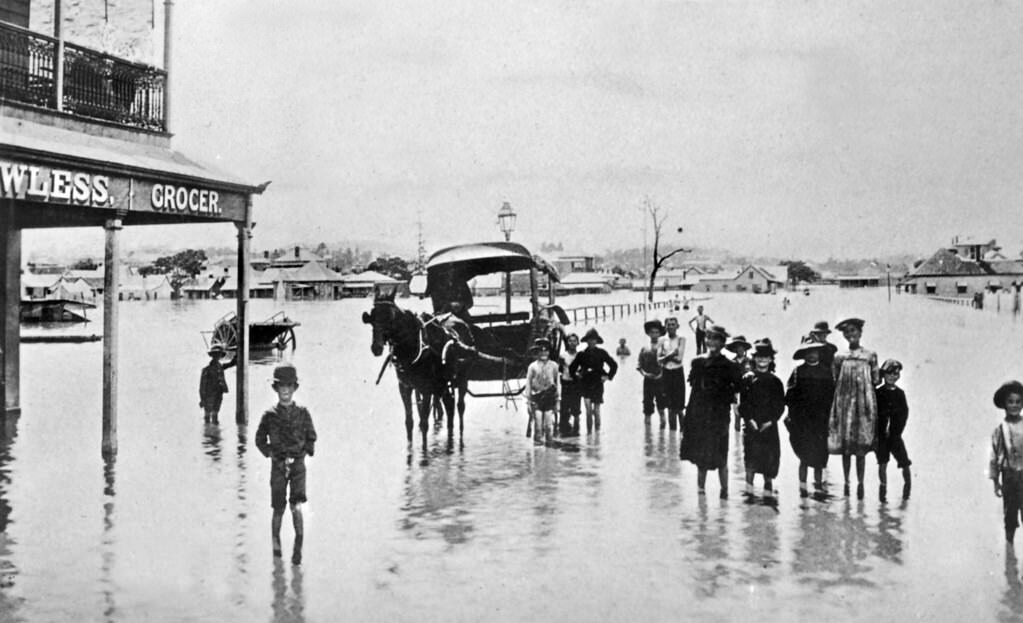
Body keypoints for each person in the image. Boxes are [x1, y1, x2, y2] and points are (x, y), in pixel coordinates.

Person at [255, 363, 318, 565]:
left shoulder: (303, 413)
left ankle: (298, 549)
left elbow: (312, 436)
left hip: (298, 466)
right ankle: (276, 548)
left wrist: (306, 452)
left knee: (296, 506)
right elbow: (259, 440)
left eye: (289, 386)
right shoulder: (269, 415)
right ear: (276, 389)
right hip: (278, 466)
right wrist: (271, 454)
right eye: (281, 386)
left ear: (294, 389)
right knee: (278, 508)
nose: (285, 390)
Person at [680, 325, 740, 498]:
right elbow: (694, 391)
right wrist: (688, 417)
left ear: (722, 342)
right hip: (700, 413)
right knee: (701, 456)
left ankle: (724, 493)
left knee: (721, 454)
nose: (711, 341)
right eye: (708, 338)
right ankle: (701, 493)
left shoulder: (730, 366)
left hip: (720, 415)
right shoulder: (698, 362)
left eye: (715, 338)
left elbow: (737, 390)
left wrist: (737, 413)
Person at [827, 318, 878, 499]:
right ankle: (847, 482)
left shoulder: (870, 355)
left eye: (853, 331)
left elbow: (876, 379)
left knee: (861, 445)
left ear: (860, 332)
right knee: (846, 445)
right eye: (847, 333)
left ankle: (861, 483)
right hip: (845, 404)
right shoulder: (839, 357)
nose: (850, 335)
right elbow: (834, 380)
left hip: (864, 405)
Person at [784, 342, 835, 498]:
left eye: (815, 352)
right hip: (802, 421)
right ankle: (803, 489)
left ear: (819, 354)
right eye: (808, 352)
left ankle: (818, 488)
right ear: (804, 355)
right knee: (803, 456)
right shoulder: (797, 372)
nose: (812, 355)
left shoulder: (827, 372)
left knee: (820, 458)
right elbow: (790, 397)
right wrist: (791, 417)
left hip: (820, 420)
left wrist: (830, 419)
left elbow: (832, 398)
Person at [739, 339, 786, 496]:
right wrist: (749, 419)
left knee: (768, 466)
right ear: (754, 358)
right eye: (759, 356)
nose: (762, 360)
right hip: (751, 426)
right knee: (750, 463)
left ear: (771, 359)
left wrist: (771, 421)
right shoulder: (747, 378)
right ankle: (749, 496)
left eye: (765, 357)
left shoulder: (776, 381)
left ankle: (768, 497)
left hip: (769, 428)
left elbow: (780, 406)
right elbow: (743, 404)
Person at [991, 380, 1023, 543]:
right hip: (1009, 477)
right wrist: (996, 482)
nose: (1014, 405)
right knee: (1010, 515)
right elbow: (994, 458)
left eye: (1018, 402)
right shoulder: (1000, 430)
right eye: (1010, 402)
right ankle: (1009, 549)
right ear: (1004, 404)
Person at [569, 328, 618, 433]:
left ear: (597, 341)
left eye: (594, 340)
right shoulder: (581, 354)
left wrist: (608, 377)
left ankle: (597, 433)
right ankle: (589, 433)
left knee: (596, 410)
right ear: (586, 341)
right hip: (585, 383)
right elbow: (572, 369)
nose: (591, 342)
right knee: (588, 410)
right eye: (589, 340)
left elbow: (613, 365)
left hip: (597, 383)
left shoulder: (602, 353)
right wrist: (577, 376)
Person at [876, 359, 912, 500]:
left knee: (904, 462)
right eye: (889, 373)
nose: (892, 376)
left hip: (895, 435)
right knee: (882, 462)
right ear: (883, 375)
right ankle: (883, 489)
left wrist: (896, 431)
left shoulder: (900, 394)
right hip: (881, 435)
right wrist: (881, 429)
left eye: (896, 374)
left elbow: (904, 414)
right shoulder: (878, 393)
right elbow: (875, 413)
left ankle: (907, 489)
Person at [526, 338, 561, 443]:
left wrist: (558, 400)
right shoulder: (532, 366)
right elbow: (528, 384)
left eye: (546, 351)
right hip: (536, 398)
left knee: (549, 426)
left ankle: (549, 453)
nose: (543, 353)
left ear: (549, 352)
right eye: (540, 351)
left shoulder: (554, 366)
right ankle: (538, 454)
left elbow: (558, 383)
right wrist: (528, 402)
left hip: (550, 398)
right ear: (537, 352)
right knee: (538, 426)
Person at [657, 316, 687, 430]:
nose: (670, 327)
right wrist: (671, 354)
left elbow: (679, 358)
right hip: (666, 374)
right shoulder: (661, 340)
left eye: (673, 324)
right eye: (668, 324)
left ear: (677, 326)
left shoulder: (681, 339)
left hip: (678, 373)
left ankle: (683, 435)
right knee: (670, 407)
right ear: (665, 327)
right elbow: (658, 360)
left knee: (679, 408)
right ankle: (672, 436)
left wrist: (666, 356)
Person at [637, 320, 666, 428]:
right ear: (648, 333)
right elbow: (639, 365)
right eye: (652, 332)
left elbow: (667, 364)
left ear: (660, 334)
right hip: (648, 381)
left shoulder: (664, 347)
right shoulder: (644, 348)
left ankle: (663, 434)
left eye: (656, 332)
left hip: (661, 380)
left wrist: (661, 374)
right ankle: (648, 437)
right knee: (647, 409)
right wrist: (645, 374)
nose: (654, 335)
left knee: (662, 408)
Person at [726, 335, 752, 432]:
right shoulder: (731, 362)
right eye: (738, 347)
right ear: (735, 349)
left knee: (747, 417)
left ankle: (746, 442)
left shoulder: (750, 361)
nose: (740, 349)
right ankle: (736, 443)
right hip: (735, 392)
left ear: (745, 349)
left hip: (747, 393)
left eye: (742, 347)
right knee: (737, 416)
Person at [199, 343, 230, 424]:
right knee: (207, 416)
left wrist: (236, 358)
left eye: (219, 354)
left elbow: (229, 365)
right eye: (215, 354)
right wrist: (202, 399)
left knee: (216, 414)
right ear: (212, 355)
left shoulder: (220, 367)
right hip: (209, 395)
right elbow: (202, 386)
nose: (217, 356)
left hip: (218, 394)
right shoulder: (206, 369)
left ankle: (214, 432)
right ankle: (208, 432)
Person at [559, 333, 582, 435]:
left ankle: (577, 431)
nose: (572, 343)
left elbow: (583, 369)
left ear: (578, 342)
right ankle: (564, 429)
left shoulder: (580, 355)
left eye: (574, 341)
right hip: (566, 383)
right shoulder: (563, 355)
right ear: (567, 343)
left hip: (576, 383)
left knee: (576, 408)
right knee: (564, 406)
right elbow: (559, 370)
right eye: (570, 341)